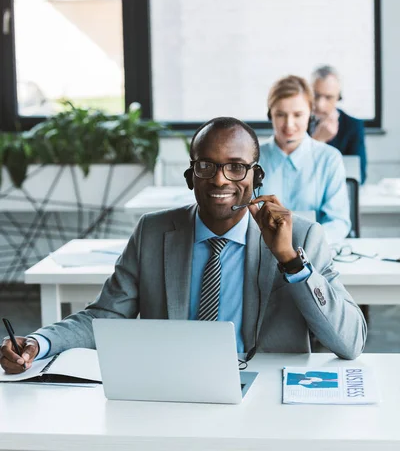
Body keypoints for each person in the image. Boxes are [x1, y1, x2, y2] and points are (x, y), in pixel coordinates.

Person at [0, 117, 366, 374]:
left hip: (266, 391)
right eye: (207, 166)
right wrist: (38, 342)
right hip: (174, 386)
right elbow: (105, 316)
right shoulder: (153, 232)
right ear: (191, 176)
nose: (221, 179)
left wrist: (289, 261)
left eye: (237, 167)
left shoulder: (300, 236)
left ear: (256, 176)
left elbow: (350, 342)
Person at [258, 75, 351, 244]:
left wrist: (308, 245)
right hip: (262, 252)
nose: (289, 124)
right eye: (280, 115)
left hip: (313, 253)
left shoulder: (329, 158)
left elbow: (338, 222)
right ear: (270, 114)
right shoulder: (253, 158)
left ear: (310, 114)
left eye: (298, 115)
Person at [310, 65, 367, 184]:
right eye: (316, 95)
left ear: (338, 97)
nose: (320, 104)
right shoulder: (296, 124)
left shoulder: (353, 126)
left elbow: (359, 177)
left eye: (328, 97)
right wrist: (317, 141)